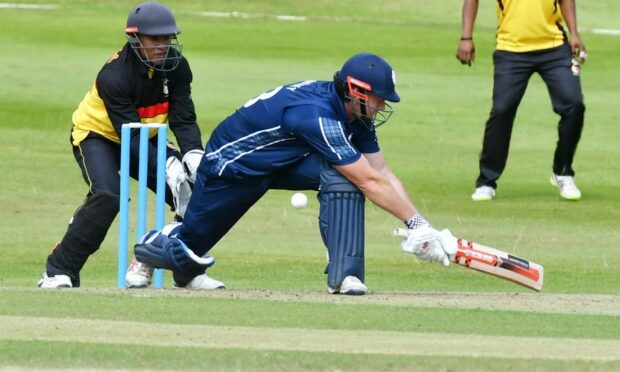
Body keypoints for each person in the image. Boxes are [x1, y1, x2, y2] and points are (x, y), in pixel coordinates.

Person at [129, 52, 457, 295]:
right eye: (378, 99)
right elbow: (370, 180)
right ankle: (151, 249)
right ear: (356, 91)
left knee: (343, 175)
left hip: (281, 159)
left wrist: (423, 227)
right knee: (189, 244)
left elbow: (380, 170)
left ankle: (346, 275)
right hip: (234, 164)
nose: (382, 107)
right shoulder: (316, 115)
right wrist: (414, 224)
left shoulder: (355, 114)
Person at [38, 1, 204, 288]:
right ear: (135, 38)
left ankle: (186, 272)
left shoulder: (177, 68)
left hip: (145, 137)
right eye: (155, 39)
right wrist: (167, 165)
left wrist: (192, 154)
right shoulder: (115, 76)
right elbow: (132, 140)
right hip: (98, 136)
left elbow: (184, 118)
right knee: (108, 196)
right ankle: (58, 271)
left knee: (194, 192)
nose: (162, 45)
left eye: (167, 38)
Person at [456, 0, 586, 201]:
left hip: (554, 47)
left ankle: (562, 172)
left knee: (574, 104)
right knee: (501, 111)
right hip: (510, 51)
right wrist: (466, 36)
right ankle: (486, 182)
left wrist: (574, 33)